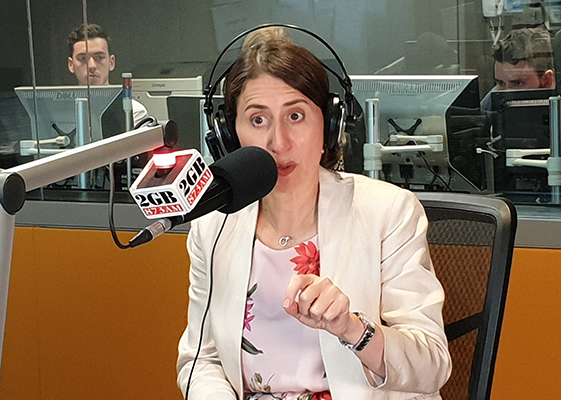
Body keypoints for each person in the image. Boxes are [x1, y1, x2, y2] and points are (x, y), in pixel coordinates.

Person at [177, 33, 451, 400]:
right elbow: (201, 359)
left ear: (330, 125)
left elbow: (432, 366)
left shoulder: (388, 213)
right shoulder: (214, 225)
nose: (279, 142)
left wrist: (352, 328)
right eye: (258, 119)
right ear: (229, 136)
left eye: (296, 116)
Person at [66, 23, 147, 124]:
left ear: (111, 62)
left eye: (99, 57)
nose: (91, 66)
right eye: (82, 58)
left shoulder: (133, 112)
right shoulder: (59, 113)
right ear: (71, 65)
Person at [481, 27, 555, 115]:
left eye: (518, 83)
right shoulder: (489, 105)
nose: (506, 93)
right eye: (501, 83)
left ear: (547, 80)